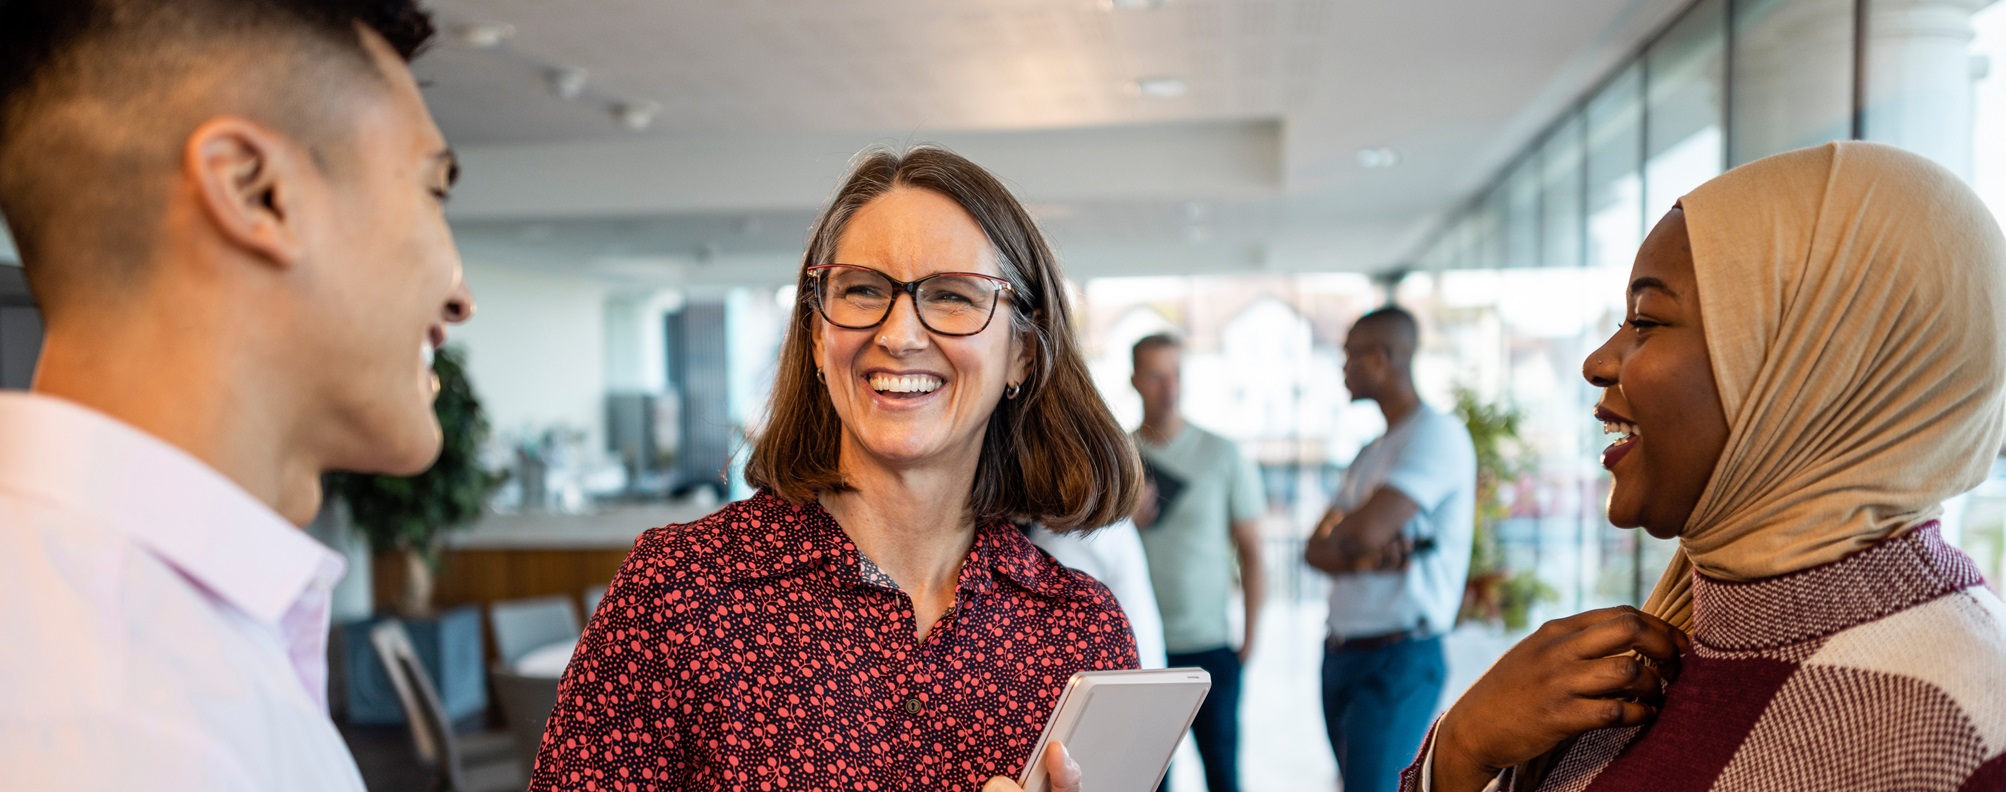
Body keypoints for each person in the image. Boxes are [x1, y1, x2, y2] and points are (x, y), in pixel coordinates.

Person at [530, 147, 1146, 792]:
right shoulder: (678, 594)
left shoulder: (1080, 633)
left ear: (1022, 349)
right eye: (862, 291)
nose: (900, 333)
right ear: (819, 336)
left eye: (954, 296)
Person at [1412, 141, 2006, 792]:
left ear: (1810, 367)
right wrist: (1461, 751)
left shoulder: (1960, 734)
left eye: (1646, 320)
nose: (1598, 363)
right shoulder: (1663, 644)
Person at [0, 1, 472, 789]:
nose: (460, 297)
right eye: (433, 190)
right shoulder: (121, 725)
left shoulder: (144, 646)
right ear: (256, 191)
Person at [1304, 306, 1475, 792]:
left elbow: (1357, 533)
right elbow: (1315, 550)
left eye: (1350, 355)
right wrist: (1360, 552)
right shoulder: (1373, 451)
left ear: (1380, 358)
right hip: (1344, 652)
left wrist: (1352, 542)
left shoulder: (1434, 434)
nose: (1343, 368)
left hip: (1397, 657)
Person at [1129, 332, 1267, 792]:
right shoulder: (1117, 459)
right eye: (1155, 376)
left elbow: (1251, 550)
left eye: (1177, 375)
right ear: (1134, 381)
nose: (1169, 388)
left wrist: (1249, 637)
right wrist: (1122, 521)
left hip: (1210, 646)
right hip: (1143, 651)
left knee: (1223, 775)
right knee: (1151, 781)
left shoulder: (1222, 455)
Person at [1028, 518, 1169, 668]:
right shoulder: (1112, 524)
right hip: (1141, 666)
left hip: (1122, 676)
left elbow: (1058, 633)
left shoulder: (1071, 537)